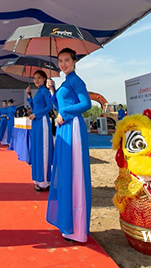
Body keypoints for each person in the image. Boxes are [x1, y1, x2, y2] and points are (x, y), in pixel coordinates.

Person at [46, 47, 92, 243]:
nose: (63, 64)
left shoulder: (76, 81)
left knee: (74, 173)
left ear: (74, 61)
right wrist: (52, 90)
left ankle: (77, 228)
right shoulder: (65, 82)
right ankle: (67, 223)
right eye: (60, 61)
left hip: (73, 128)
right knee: (65, 172)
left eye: (66, 60)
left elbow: (86, 104)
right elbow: (60, 107)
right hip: (64, 127)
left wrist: (64, 114)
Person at [26, 70, 54, 191]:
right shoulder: (38, 91)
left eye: (39, 78)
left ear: (44, 79)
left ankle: (45, 181)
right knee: (37, 149)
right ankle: (39, 179)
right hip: (36, 122)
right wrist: (29, 97)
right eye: (34, 78)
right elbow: (35, 107)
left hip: (42, 122)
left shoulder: (45, 91)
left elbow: (49, 107)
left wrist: (36, 114)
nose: (36, 80)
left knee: (43, 150)